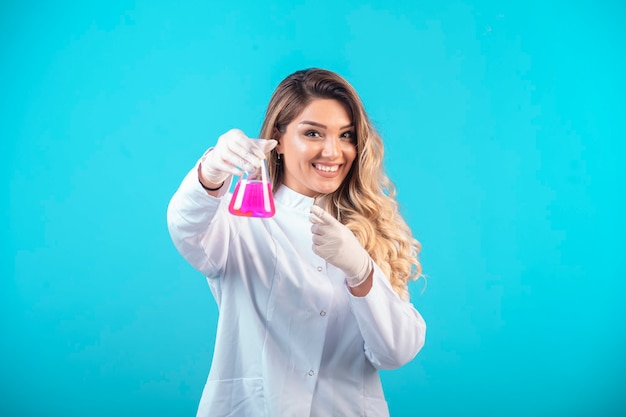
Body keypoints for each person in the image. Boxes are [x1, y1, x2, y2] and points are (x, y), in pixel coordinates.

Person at [167, 68, 426, 417]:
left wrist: (361, 271)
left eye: (346, 135)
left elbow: (396, 351)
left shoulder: (371, 231)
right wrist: (211, 171)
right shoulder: (239, 221)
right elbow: (186, 226)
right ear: (278, 139)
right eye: (313, 133)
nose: (333, 152)